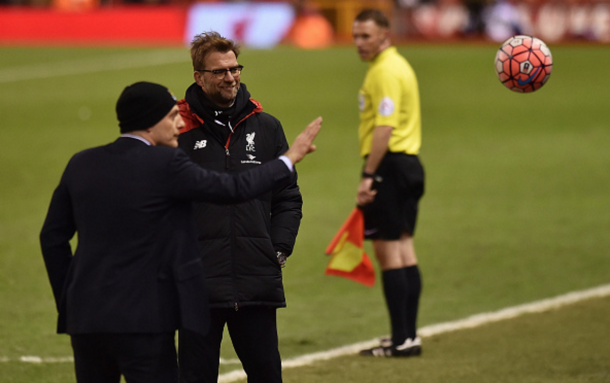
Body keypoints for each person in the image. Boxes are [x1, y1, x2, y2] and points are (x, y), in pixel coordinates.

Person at [39, 81, 322, 383]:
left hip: (86, 318)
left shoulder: (82, 163)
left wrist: (68, 300)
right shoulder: (165, 162)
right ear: (151, 120)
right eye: (173, 115)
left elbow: (52, 238)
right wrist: (287, 160)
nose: (179, 123)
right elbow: (232, 188)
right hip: (145, 318)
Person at [176, 31, 301, 383]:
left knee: (266, 375)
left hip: (255, 280)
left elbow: (288, 196)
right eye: (220, 71)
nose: (230, 77)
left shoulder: (265, 127)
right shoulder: (178, 129)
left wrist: (277, 248)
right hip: (198, 282)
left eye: (235, 68)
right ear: (198, 77)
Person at [352, 9, 425, 358]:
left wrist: (369, 175)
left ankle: (402, 339)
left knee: (388, 252)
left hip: (390, 166)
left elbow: (384, 127)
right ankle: (407, 335)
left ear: (385, 35)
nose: (359, 43)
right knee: (405, 248)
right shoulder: (399, 65)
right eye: (355, 36)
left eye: (366, 36)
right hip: (409, 164)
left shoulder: (384, 72)